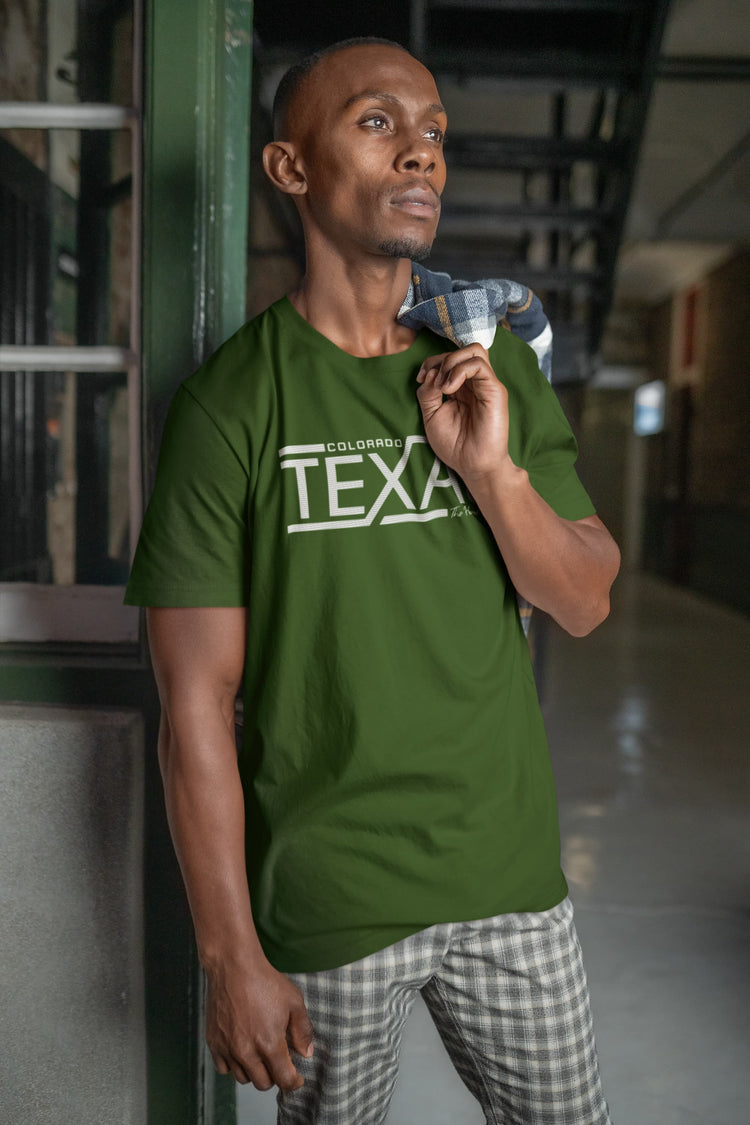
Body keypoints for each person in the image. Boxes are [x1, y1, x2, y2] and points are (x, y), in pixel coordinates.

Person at [125, 36, 621, 1125]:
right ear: (291, 169)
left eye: (435, 130)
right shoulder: (231, 408)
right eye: (379, 123)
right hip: (329, 895)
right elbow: (195, 705)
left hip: (507, 880)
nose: (422, 155)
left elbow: (583, 598)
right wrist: (230, 958)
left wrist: (489, 471)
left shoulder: (493, 362)